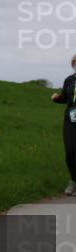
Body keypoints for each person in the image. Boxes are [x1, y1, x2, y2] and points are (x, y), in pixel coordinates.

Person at [50, 53, 76, 196]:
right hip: (71, 119)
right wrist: (56, 99)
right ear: (73, 64)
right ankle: (73, 181)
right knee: (70, 151)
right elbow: (65, 98)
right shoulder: (69, 80)